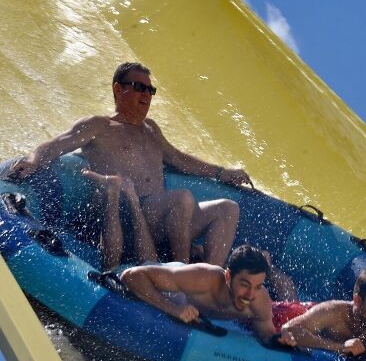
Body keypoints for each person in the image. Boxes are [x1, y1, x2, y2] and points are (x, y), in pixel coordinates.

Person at [8, 62, 248, 268]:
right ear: (118, 89)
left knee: (227, 208)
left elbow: (178, 158)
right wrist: (32, 161)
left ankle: (208, 280)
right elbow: (58, 143)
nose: (146, 95)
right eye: (139, 87)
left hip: (161, 219)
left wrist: (222, 173)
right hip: (126, 217)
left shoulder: (151, 129)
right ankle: (182, 276)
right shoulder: (99, 126)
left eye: (150, 90)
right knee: (182, 198)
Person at [120, 245, 296, 345]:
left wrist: (281, 339)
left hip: (201, 311)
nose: (250, 294)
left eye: (258, 286)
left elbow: (266, 334)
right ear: (228, 276)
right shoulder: (202, 278)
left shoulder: (259, 300)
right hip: (173, 288)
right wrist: (173, 308)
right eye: (244, 284)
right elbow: (131, 275)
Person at [280, 266, 366, 356]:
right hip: (298, 313)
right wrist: (340, 347)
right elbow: (289, 330)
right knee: (290, 301)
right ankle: (273, 271)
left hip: (310, 316)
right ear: (357, 300)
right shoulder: (333, 312)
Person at [80, 168, 158, 270]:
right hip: (110, 215)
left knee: (111, 267)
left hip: (109, 223)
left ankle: (113, 192)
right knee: (150, 267)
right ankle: (132, 198)